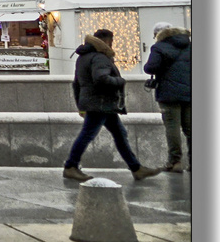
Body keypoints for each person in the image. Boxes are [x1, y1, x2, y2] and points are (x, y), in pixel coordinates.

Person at [63, 28, 161, 181]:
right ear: (107, 41)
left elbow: (76, 84)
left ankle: (136, 168)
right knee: (87, 134)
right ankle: (71, 166)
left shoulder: (83, 57)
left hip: (98, 104)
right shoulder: (100, 58)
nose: (112, 45)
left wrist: (80, 105)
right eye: (112, 41)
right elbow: (101, 79)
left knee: (119, 134)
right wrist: (120, 81)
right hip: (100, 103)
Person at [144, 23, 192, 173]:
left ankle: (175, 162)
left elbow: (150, 67)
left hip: (168, 94)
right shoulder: (189, 45)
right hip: (190, 92)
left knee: (172, 128)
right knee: (190, 128)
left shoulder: (159, 47)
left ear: (158, 34)